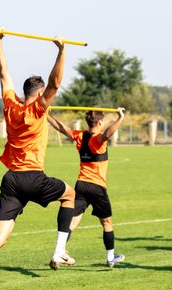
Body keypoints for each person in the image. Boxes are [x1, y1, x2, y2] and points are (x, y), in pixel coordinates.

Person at [0, 28, 75, 290]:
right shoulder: (37, 109)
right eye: (45, 92)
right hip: (32, 176)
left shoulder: (10, 105)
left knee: (0, 235)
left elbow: (4, 73)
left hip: (11, 179)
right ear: (39, 94)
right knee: (70, 195)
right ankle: (59, 250)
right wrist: (61, 50)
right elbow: (56, 82)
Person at [47, 108, 126, 268]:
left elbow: (61, 128)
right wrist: (120, 118)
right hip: (97, 186)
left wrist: (46, 115)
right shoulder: (98, 139)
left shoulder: (79, 136)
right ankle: (111, 258)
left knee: (72, 223)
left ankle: (58, 252)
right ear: (100, 122)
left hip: (81, 185)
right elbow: (108, 134)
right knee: (107, 222)